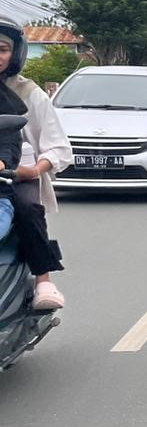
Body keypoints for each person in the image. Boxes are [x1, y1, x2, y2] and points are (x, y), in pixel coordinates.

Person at [0, 17, 72, 310]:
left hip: (17, 173)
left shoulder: (29, 93)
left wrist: (34, 170)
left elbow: (58, 147)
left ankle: (43, 280)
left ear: (15, 54)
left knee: (28, 208)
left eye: (2, 49)